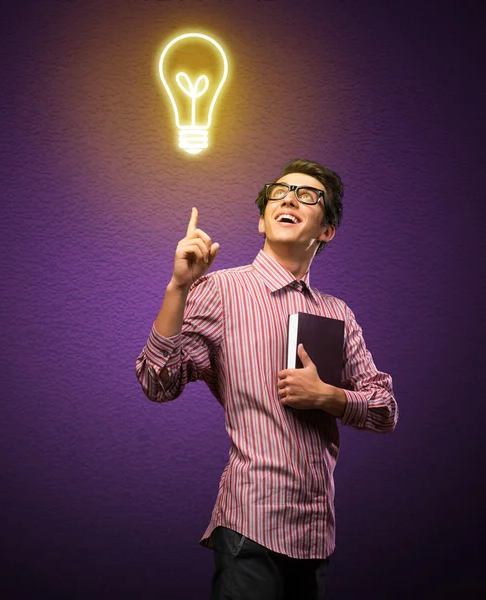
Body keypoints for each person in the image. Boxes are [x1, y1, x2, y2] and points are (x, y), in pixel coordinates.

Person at [135, 158, 398, 600]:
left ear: (326, 230)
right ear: (262, 220)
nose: (291, 198)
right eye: (280, 192)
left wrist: (329, 396)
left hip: (316, 532)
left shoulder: (338, 313)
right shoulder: (220, 291)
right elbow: (157, 383)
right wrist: (178, 287)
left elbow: (384, 409)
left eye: (309, 195)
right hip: (250, 525)